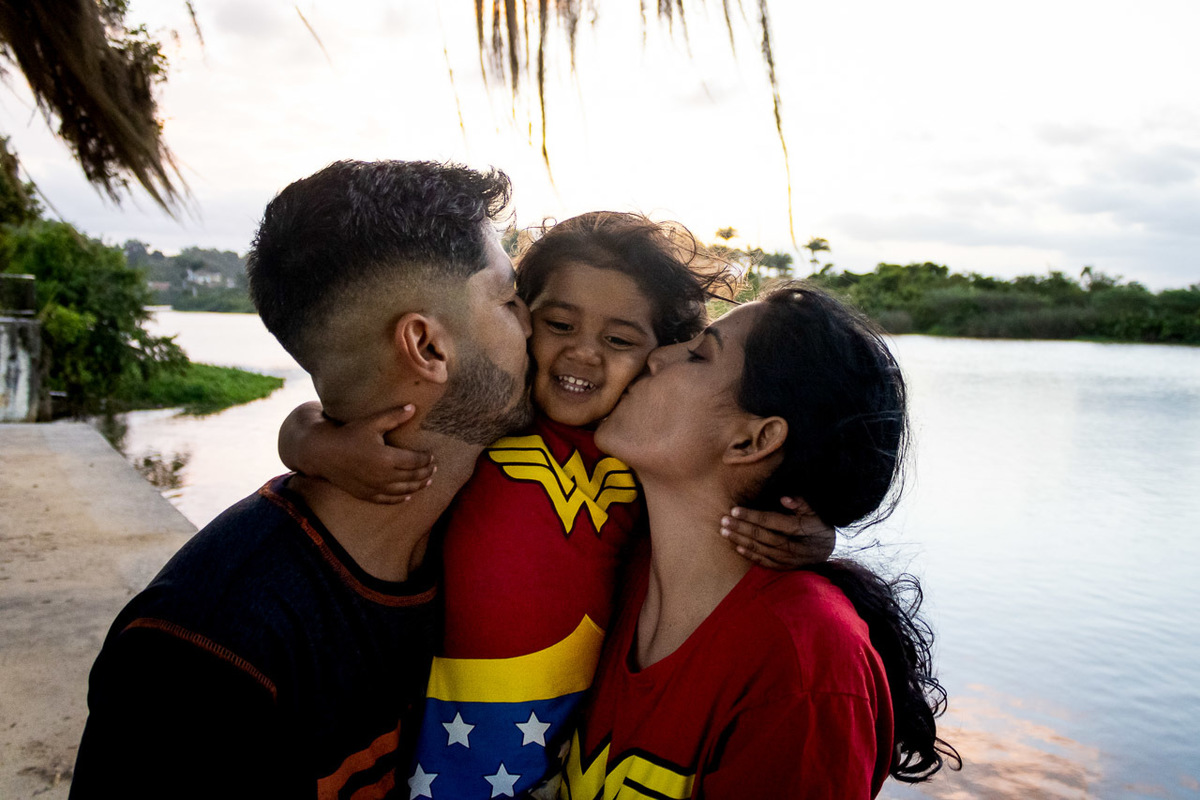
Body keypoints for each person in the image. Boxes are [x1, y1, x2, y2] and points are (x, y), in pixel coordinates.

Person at [280, 212, 836, 798]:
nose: (583, 354)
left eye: (619, 340)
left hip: (554, 759)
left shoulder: (645, 456)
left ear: (660, 355)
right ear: (521, 317)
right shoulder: (495, 414)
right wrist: (316, 444)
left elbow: (716, 521)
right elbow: (321, 411)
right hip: (428, 730)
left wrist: (817, 535)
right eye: (560, 324)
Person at [69, 160, 535, 799]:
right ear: (427, 348)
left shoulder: (493, 532)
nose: (535, 323)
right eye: (508, 300)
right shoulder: (207, 655)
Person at [558, 285, 957, 798]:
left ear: (752, 440)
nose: (656, 357)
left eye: (698, 354)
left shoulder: (806, 665)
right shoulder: (612, 556)